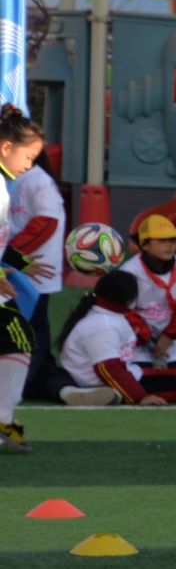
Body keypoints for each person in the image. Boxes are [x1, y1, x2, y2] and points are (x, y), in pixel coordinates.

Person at [2, 104, 68, 410]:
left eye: (34, 157)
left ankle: (36, 387)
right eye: (28, 156)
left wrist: (15, 260)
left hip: (25, 275)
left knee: (28, 335)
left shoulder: (31, 180)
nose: (29, 163)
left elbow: (46, 223)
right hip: (17, 273)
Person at [57, 269, 176, 405]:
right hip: (97, 381)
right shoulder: (104, 325)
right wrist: (139, 396)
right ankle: (115, 394)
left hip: (107, 373)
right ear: (128, 299)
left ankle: (116, 394)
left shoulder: (105, 313)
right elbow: (107, 368)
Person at [120, 214, 176, 367]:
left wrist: (167, 337)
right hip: (138, 341)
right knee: (143, 378)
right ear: (144, 244)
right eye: (162, 241)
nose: (170, 245)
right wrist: (149, 340)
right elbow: (125, 311)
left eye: (173, 240)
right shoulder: (130, 271)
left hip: (173, 340)